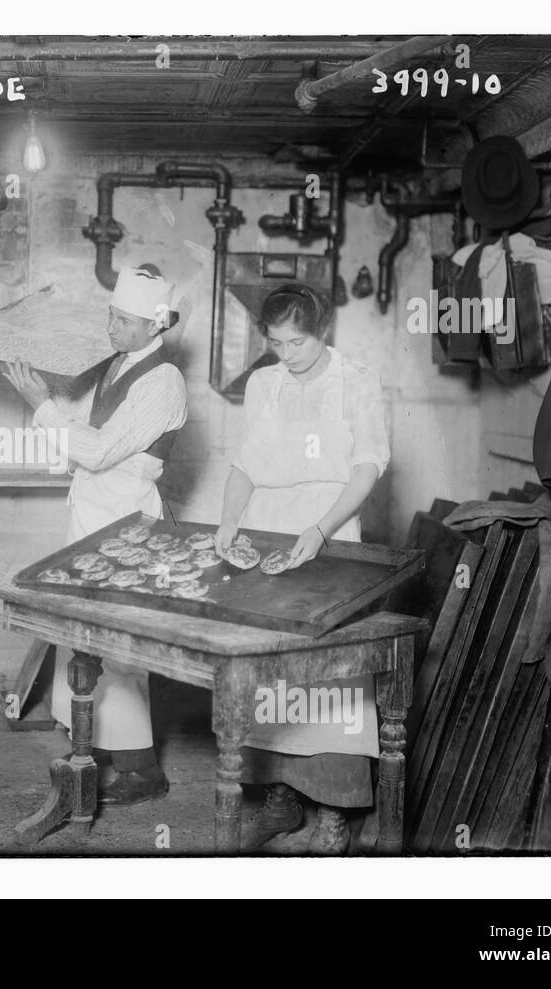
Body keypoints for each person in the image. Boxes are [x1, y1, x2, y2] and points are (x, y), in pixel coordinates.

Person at [214, 282, 389, 854]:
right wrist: (228, 521)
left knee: (332, 670)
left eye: (297, 342)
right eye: (275, 342)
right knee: (271, 667)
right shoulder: (264, 384)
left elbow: (366, 469)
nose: (285, 354)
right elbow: (244, 465)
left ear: (324, 333)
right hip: (269, 532)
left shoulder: (357, 382)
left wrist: (320, 530)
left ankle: (335, 809)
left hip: (330, 527)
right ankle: (281, 800)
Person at [4, 265, 187, 806]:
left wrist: (40, 407)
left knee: (120, 644)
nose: (112, 327)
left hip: (127, 517)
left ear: (155, 325)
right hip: (92, 512)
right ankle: (88, 747)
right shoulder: (116, 366)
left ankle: (140, 768)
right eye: (111, 315)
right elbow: (77, 428)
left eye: (124, 320)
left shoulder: (163, 379)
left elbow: (100, 450)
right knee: (79, 637)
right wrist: (39, 396)